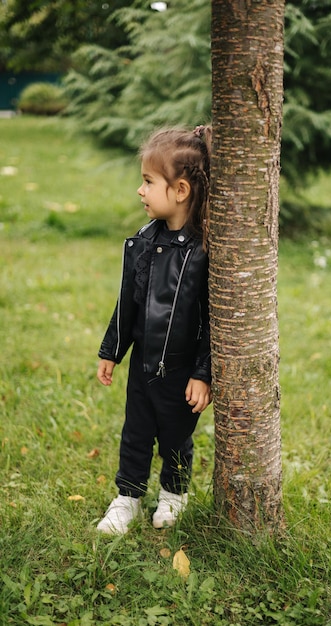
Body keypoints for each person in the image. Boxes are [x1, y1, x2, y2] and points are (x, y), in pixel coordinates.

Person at [96, 125, 212, 534]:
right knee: (136, 433)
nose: (140, 191)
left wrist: (203, 373)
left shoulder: (203, 253)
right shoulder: (143, 242)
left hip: (180, 372)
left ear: (180, 191)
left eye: (148, 182)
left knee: (176, 437)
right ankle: (127, 497)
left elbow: (213, 321)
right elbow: (127, 301)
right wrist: (112, 349)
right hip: (143, 366)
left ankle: (173, 495)